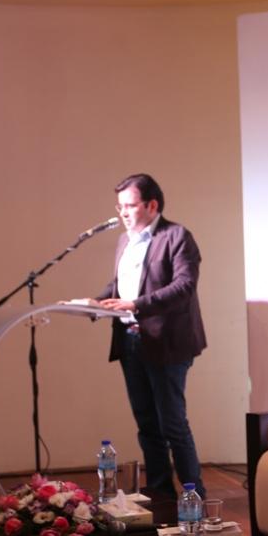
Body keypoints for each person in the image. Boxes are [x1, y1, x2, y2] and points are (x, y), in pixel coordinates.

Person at [94, 173, 208, 499]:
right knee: (147, 423)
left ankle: (194, 496)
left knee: (172, 423)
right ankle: (160, 492)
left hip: (167, 343)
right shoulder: (125, 241)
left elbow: (184, 287)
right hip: (130, 340)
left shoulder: (177, 236)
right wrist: (93, 303)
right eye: (120, 207)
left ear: (152, 205)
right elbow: (120, 286)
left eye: (130, 205)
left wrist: (136, 304)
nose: (123, 213)